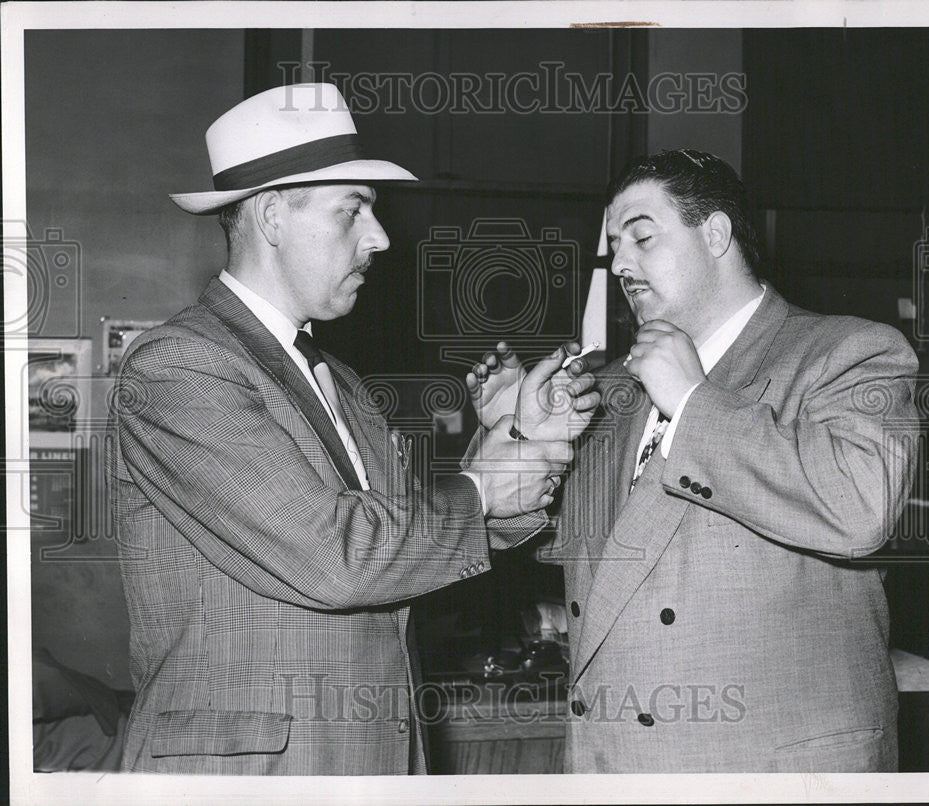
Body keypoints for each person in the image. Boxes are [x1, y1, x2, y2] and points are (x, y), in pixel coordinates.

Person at [106, 83, 598, 775]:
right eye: (353, 210)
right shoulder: (180, 368)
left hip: (368, 760)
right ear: (273, 216)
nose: (382, 237)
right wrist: (483, 486)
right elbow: (334, 556)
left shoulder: (340, 380)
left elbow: (410, 544)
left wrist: (522, 439)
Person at [468, 149, 919, 772]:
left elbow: (860, 508)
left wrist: (692, 401)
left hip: (768, 770)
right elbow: (520, 537)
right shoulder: (616, 390)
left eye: (642, 237)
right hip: (616, 763)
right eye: (615, 245)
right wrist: (518, 435)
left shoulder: (846, 351)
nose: (621, 263)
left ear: (716, 234)